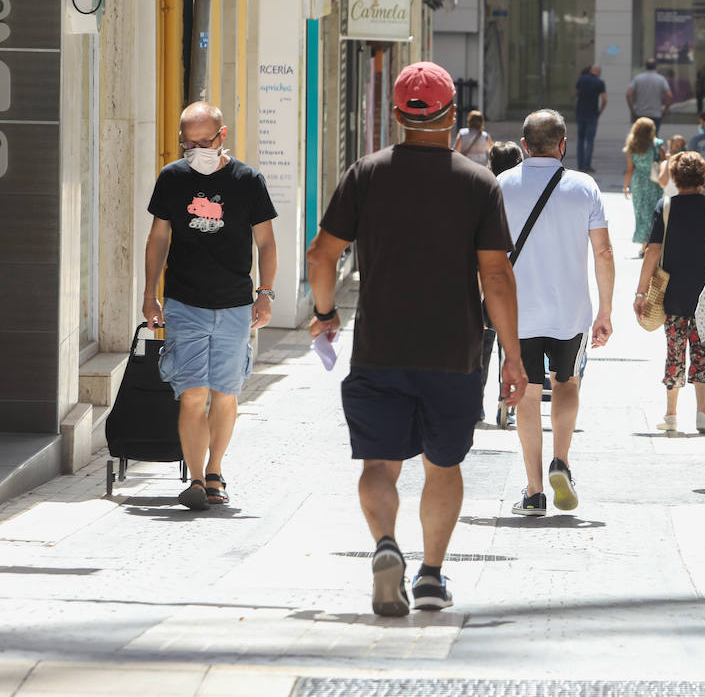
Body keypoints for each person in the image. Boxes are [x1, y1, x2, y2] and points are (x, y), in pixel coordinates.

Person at [304, 61, 527, 616]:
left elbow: (320, 254)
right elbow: (495, 276)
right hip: (454, 354)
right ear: (451, 114)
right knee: (443, 466)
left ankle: (385, 546)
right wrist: (514, 358)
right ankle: (430, 576)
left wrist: (325, 311)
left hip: (380, 349)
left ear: (399, 115)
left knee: (379, 465)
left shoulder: (366, 173)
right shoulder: (478, 182)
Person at [143, 102, 278, 512]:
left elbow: (267, 242)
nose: (197, 149)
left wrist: (266, 293)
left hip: (236, 304)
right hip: (185, 302)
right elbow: (158, 238)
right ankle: (196, 479)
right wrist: (150, 294)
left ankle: (216, 470)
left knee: (224, 393)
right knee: (192, 393)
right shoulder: (172, 178)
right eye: (189, 142)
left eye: (204, 141)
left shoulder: (248, 180)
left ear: (223, 136)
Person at [499, 110, 615, 516]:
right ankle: (561, 461)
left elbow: (487, 254)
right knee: (565, 384)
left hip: (517, 313)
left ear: (524, 146)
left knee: (526, 397)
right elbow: (603, 251)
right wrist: (605, 311)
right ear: (562, 144)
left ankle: (533, 492)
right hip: (571, 313)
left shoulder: (501, 185)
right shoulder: (584, 187)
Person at [634, 151, 705, 435]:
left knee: (674, 352)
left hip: (672, 293)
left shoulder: (666, 206)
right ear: (703, 176)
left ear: (675, 176)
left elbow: (653, 250)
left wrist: (640, 292)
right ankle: (702, 414)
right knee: (704, 352)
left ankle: (671, 414)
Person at [478, 142, 526, 421]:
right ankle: (505, 407)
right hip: (516, 285)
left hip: (486, 284)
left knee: (482, 349)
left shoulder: (484, 194)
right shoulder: (526, 195)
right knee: (510, 349)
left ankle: (475, 409)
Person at [623, 117, 665, 257]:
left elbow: (630, 168)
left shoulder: (632, 146)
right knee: (655, 213)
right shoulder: (657, 144)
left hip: (639, 183)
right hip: (654, 182)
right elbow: (664, 163)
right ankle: (653, 244)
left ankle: (644, 245)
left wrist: (625, 186)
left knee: (641, 214)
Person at [573, 64, 607, 172]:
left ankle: (580, 164)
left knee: (580, 139)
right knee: (590, 140)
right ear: (599, 71)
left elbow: (575, 93)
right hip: (592, 113)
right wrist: (600, 111)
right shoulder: (599, 82)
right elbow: (604, 99)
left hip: (580, 112)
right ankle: (587, 165)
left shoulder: (581, 79)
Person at [626, 59, 673, 134]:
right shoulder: (661, 79)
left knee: (640, 138)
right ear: (656, 67)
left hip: (640, 113)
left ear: (646, 67)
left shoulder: (638, 78)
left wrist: (632, 109)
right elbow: (669, 95)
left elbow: (628, 94)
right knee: (654, 138)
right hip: (656, 114)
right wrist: (666, 110)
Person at [656, 134, 687, 199]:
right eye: (676, 146)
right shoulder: (665, 164)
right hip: (669, 200)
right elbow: (663, 183)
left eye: (681, 146)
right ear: (671, 147)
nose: (679, 148)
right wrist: (668, 162)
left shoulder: (688, 163)